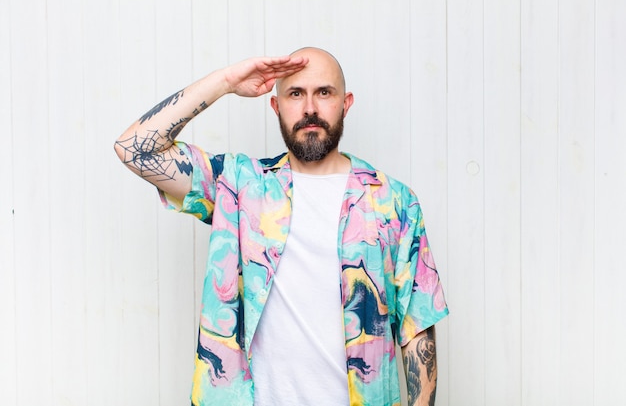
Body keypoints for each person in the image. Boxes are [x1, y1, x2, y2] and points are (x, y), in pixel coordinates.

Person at [114, 47, 448, 406]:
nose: (309, 108)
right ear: (276, 106)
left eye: (324, 92)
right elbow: (135, 150)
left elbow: (417, 326)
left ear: (346, 103)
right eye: (295, 94)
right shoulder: (241, 185)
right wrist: (226, 82)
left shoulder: (393, 201)